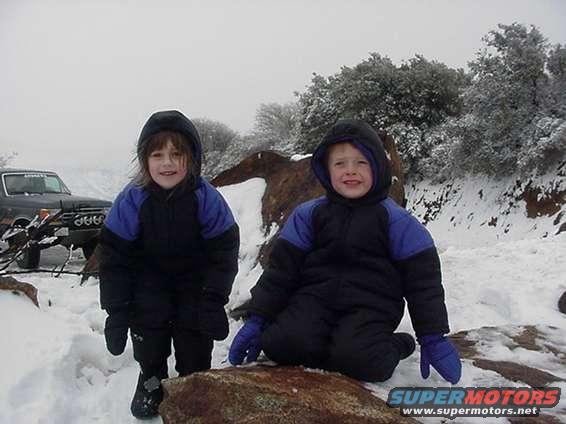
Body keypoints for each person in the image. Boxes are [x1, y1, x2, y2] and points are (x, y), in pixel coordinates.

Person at [228, 119, 461, 385]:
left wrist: (432, 336)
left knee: (361, 362)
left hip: (370, 307)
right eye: (340, 163)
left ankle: (397, 345)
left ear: (377, 167)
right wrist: (259, 319)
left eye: (361, 162)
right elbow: (281, 272)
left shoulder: (397, 221)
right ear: (326, 170)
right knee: (283, 345)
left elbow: (423, 284)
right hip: (313, 299)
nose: (350, 171)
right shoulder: (308, 214)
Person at [98, 110, 239, 418]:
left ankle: (194, 380)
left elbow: (224, 252)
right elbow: (114, 259)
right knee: (149, 339)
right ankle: (151, 380)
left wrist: (214, 299)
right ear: (144, 160)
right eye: (157, 154)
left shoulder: (206, 198)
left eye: (177, 154)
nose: (167, 163)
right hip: (147, 283)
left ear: (192, 159)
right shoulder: (132, 200)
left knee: (194, 343)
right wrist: (117, 310)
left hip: (195, 284)